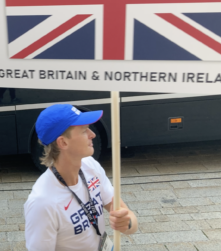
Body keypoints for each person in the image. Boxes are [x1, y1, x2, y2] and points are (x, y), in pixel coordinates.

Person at [24, 104, 138, 251]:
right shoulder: (42, 203)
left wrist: (126, 223)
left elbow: (130, 220)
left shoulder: (91, 166)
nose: (93, 134)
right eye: (84, 130)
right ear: (63, 142)